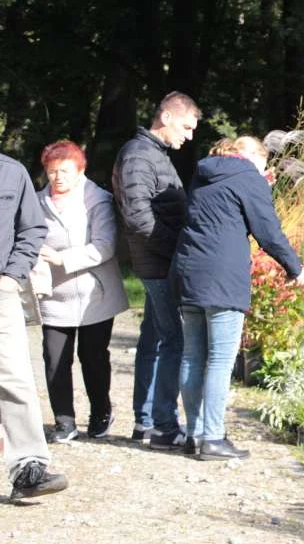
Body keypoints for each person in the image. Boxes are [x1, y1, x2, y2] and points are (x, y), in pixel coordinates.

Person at [172, 136, 304, 460]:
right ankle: (212, 438)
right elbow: (268, 230)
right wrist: (295, 269)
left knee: (193, 356)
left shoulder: (202, 172)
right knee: (221, 360)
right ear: (253, 156)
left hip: (188, 271)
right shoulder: (248, 175)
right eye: (264, 165)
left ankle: (193, 435)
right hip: (223, 277)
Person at [112, 91, 200, 449]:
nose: (189, 136)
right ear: (165, 117)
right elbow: (138, 219)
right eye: (186, 127)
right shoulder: (138, 156)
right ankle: (162, 425)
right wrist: (178, 247)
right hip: (158, 263)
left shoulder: (153, 154)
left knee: (153, 339)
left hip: (158, 261)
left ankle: (146, 421)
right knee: (172, 341)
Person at [35, 141, 129, 443]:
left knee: (93, 357)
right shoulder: (36, 202)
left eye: (64, 171)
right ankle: (64, 420)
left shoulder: (97, 199)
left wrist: (64, 258)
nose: (57, 177)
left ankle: (101, 412)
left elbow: (105, 246)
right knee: (54, 358)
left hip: (94, 295)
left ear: (80, 170)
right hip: (54, 294)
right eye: (51, 172)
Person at [0, 153, 68, 499]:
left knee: (15, 380)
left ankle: (28, 470)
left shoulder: (11, 173)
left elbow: (32, 229)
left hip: (1, 293)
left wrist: (13, 275)